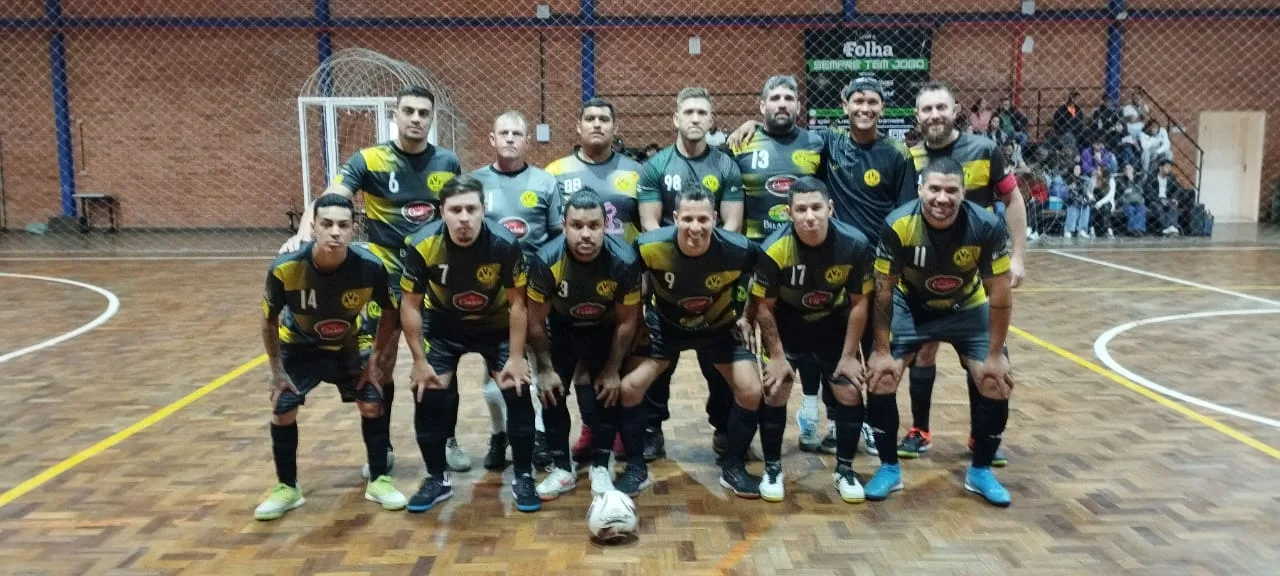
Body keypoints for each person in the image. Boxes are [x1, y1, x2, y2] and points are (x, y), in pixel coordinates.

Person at [728, 76, 916, 455]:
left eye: (872, 102)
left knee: (874, 352)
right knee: (815, 338)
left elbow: (907, 215)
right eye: (857, 101)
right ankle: (810, 414)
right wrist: (751, 124)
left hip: (877, 269)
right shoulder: (830, 142)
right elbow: (778, 129)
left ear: (883, 107)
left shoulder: (892, 153)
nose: (864, 109)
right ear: (844, 106)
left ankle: (870, 428)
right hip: (823, 265)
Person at [281, 85, 462, 478]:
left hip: (431, 275)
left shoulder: (447, 162)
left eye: (423, 113)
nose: (416, 119)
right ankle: (385, 446)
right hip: (385, 274)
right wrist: (303, 234)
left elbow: (458, 209)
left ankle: (446, 440)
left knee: (438, 359)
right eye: (409, 111)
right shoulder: (369, 159)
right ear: (395, 115)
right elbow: (331, 197)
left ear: (432, 119)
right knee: (382, 361)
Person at [864, 156, 1016, 507]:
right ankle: (889, 469)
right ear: (920, 189)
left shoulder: (986, 225)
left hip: (967, 305)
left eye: (951, 190)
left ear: (964, 192)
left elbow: (1000, 294)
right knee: (882, 376)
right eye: (934, 189)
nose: (942, 198)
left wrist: (995, 355)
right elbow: (883, 290)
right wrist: (881, 351)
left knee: (995, 380)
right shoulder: (899, 224)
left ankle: (980, 471)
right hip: (911, 306)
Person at [255, 194, 406, 520]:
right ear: (313, 228)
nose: (335, 232)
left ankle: (379, 480)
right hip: (298, 346)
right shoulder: (285, 269)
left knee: (372, 400)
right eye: (327, 224)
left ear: (354, 229)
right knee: (283, 408)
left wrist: (374, 362)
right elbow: (268, 319)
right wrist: (276, 371)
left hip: (348, 345)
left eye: (343, 225)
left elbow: (390, 313)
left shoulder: (370, 266)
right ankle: (287, 488)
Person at [899, 80, 1026, 462]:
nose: (935, 115)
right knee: (923, 351)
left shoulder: (984, 150)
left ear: (955, 111)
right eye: (927, 109)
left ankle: (980, 436)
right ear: (917, 116)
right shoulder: (909, 158)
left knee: (984, 356)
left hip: (978, 273)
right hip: (926, 273)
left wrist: (1018, 256)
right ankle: (920, 430)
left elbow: (1013, 198)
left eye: (941, 107)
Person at [398, 175, 539, 513]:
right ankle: (436, 478)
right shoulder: (422, 244)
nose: (464, 218)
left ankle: (523, 475)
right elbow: (410, 306)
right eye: (456, 210)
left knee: (517, 388)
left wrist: (516, 357)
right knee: (428, 392)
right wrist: (419, 362)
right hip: (444, 325)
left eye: (471, 209)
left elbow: (518, 304)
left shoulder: (504, 243)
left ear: (483, 210)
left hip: (495, 324)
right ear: (441, 212)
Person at [626, 187, 764, 498]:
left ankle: (734, 467)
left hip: (719, 326)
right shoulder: (649, 246)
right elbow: (632, 282)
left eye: (703, 219)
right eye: (688, 219)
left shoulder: (739, 248)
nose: (695, 227)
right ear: (675, 218)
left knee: (751, 390)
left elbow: (764, 279)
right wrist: (639, 319)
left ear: (715, 218)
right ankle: (635, 468)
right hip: (666, 325)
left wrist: (746, 317)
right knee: (629, 388)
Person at [749, 177, 876, 503]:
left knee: (850, 390)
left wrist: (849, 356)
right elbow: (763, 307)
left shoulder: (855, 244)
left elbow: (860, 303)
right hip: (787, 325)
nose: (810, 216)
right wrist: (777, 356)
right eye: (801, 209)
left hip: (832, 324)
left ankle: (845, 469)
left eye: (816, 208)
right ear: (789, 213)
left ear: (830, 209)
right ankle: (773, 469)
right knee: (775, 389)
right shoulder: (773, 249)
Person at [637, 86, 745, 461]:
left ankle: (723, 429)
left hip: (713, 285)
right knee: (658, 362)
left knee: (718, 364)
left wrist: (707, 268)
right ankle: (651, 430)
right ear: (676, 119)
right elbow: (650, 229)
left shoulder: (726, 166)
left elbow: (732, 228)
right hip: (667, 282)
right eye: (689, 112)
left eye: (702, 112)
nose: (695, 118)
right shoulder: (655, 166)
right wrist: (675, 267)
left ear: (711, 120)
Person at [526, 188, 644, 499]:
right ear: (564, 227)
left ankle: (601, 467)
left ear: (606, 226)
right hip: (561, 330)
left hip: (605, 330)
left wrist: (613, 369)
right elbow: (534, 322)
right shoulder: (546, 260)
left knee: (607, 391)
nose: (586, 234)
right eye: (577, 226)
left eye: (594, 225)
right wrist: (545, 369)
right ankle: (562, 469)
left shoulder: (625, 260)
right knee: (551, 392)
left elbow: (627, 321)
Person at [546, 97, 644, 459]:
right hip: (574, 284)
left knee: (619, 359)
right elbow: (550, 231)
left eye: (604, 119)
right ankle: (590, 428)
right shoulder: (555, 172)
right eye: (590, 118)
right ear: (578, 126)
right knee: (581, 367)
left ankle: (620, 430)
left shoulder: (637, 171)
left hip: (621, 282)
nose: (597, 124)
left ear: (615, 127)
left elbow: (648, 227)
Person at [469, 111, 564, 472]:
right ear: (492, 139)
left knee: (540, 363)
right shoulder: (475, 182)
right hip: (491, 294)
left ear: (527, 140)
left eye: (517, 133)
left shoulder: (544, 182)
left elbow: (556, 238)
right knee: (494, 371)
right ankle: (499, 434)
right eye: (504, 133)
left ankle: (538, 434)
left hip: (535, 292)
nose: (510, 138)